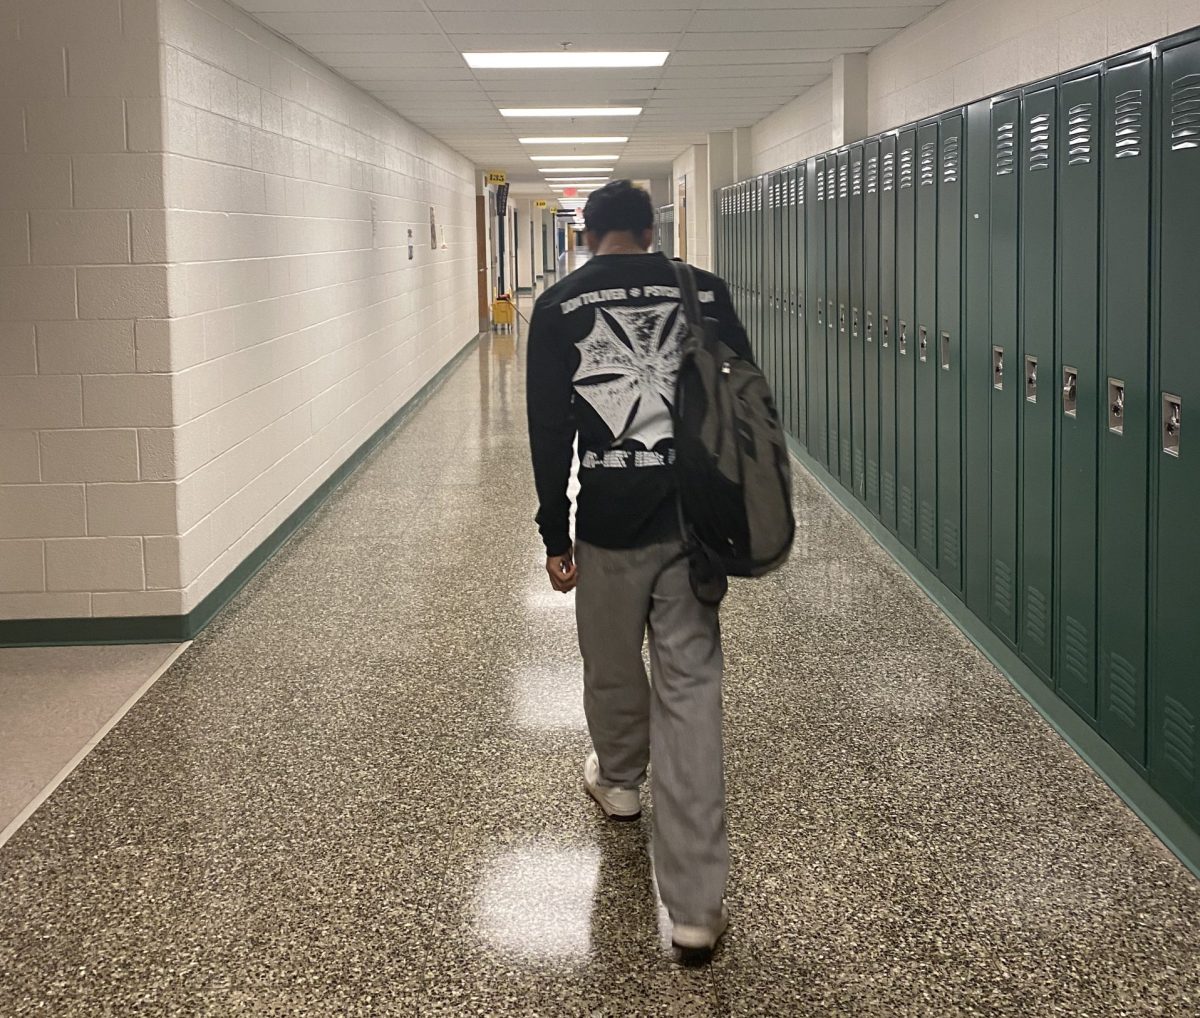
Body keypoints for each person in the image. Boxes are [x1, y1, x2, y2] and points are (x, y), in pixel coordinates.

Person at [524, 180, 753, 966]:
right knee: (691, 695)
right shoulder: (707, 292)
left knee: (612, 661)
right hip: (695, 528)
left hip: (612, 525)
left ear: (589, 236)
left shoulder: (558, 307)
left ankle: (619, 781)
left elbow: (550, 431)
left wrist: (557, 534)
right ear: (652, 230)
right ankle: (694, 910)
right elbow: (746, 413)